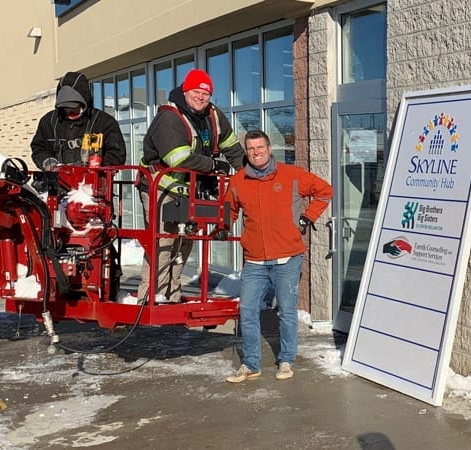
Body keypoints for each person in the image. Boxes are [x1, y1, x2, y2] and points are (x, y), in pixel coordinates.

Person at [224, 130, 333, 382]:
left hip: (287, 257)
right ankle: (251, 364)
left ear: (269, 148)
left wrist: (308, 217)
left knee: (286, 311)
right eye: (250, 149)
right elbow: (229, 211)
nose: (256, 152)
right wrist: (222, 226)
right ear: (246, 152)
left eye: (260, 147)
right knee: (247, 310)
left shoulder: (292, 175)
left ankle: (286, 360)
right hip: (255, 260)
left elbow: (325, 191)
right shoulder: (239, 180)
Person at [137, 68, 245, 304]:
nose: (201, 97)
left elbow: (233, 148)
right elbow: (179, 159)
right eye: (196, 91)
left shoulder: (213, 116)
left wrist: (248, 173)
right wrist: (216, 166)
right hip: (161, 187)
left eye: (206, 93)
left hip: (191, 189)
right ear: (186, 91)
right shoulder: (169, 117)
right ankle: (149, 298)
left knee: (184, 242)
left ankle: (171, 296)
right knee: (164, 242)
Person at [31, 71, 126, 170]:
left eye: (74, 109)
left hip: (93, 181)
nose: (69, 113)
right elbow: (38, 148)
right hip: (57, 181)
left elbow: (117, 154)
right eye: (65, 109)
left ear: (85, 103)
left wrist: (96, 167)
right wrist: (47, 161)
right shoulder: (49, 122)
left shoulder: (104, 122)